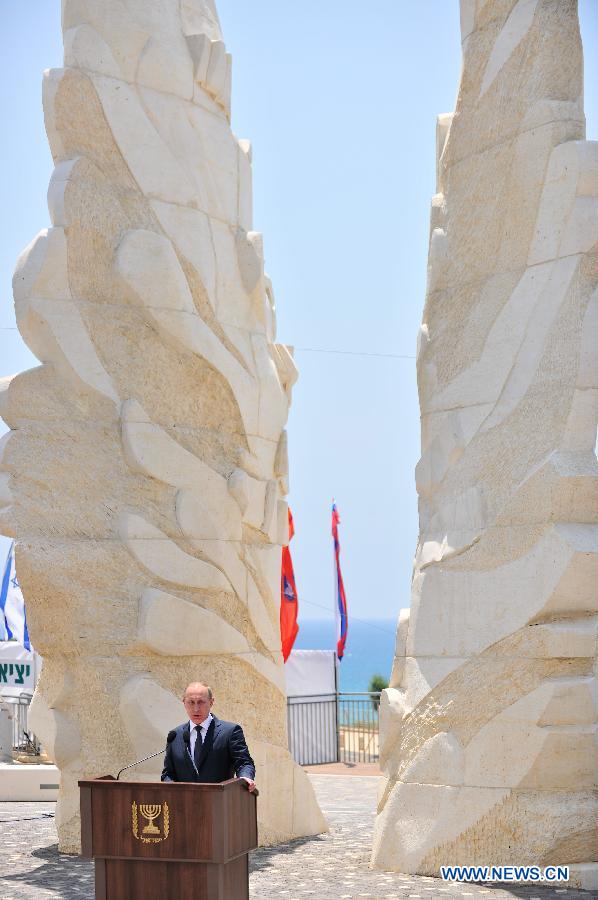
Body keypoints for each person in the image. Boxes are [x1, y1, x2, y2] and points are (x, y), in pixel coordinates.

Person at [161, 681, 256, 792]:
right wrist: (170, 788)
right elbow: (168, 773)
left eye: (201, 702)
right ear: (184, 703)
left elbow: (244, 763)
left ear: (211, 702)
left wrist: (245, 778)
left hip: (220, 802)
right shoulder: (175, 735)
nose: (196, 708)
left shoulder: (230, 731)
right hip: (184, 805)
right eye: (191, 702)